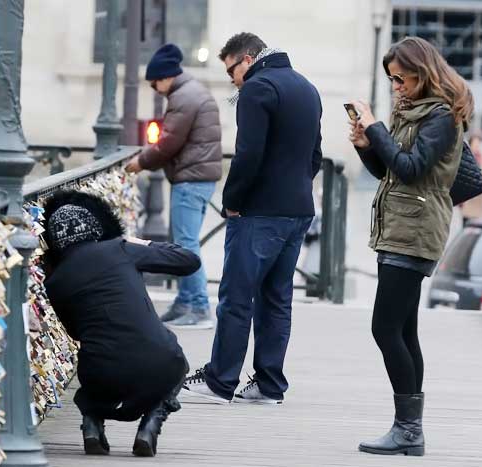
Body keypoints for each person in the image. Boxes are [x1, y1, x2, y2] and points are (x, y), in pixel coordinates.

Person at [348, 36, 474, 456]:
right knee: (404, 329)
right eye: (391, 80)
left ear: (423, 72)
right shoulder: (414, 110)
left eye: (401, 79)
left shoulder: (440, 116)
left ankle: (408, 430)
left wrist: (376, 128)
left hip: (417, 229)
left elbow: (412, 168)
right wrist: (367, 146)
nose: (396, 87)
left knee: (384, 328)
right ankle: (410, 430)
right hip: (401, 226)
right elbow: (390, 170)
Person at [182, 32, 322, 404]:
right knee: (277, 299)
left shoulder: (257, 89)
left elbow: (248, 154)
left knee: (236, 296)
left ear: (247, 58)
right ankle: (269, 384)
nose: (232, 80)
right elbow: (316, 156)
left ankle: (220, 380)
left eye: (232, 70)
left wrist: (232, 200)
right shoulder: (307, 88)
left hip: (259, 212)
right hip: (298, 210)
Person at [42, 190, 200, 457]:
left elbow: (75, 332)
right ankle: (150, 424)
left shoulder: (55, 282)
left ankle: (92, 424)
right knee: (176, 358)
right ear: (95, 229)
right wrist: (142, 243)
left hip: (102, 374)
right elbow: (189, 261)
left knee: (95, 367)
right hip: (159, 363)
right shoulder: (119, 249)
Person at [125, 43, 222, 329]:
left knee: (186, 245)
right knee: (184, 243)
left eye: (155, 83)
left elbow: (168, 143)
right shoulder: (190, 91)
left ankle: (200, 306)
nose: (156, 89)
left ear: (165, 76)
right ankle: (184, 303)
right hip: (198, 177)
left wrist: (140, 162)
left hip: (191, 179)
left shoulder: (184, 97)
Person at [459, 133, 482, 226]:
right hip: (467, 201)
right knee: (466, 227)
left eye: (479, 144)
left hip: (479, 201)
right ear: (470, 145)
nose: (477, 147)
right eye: (475, 144)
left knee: (477, 228)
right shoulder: (465, 159)